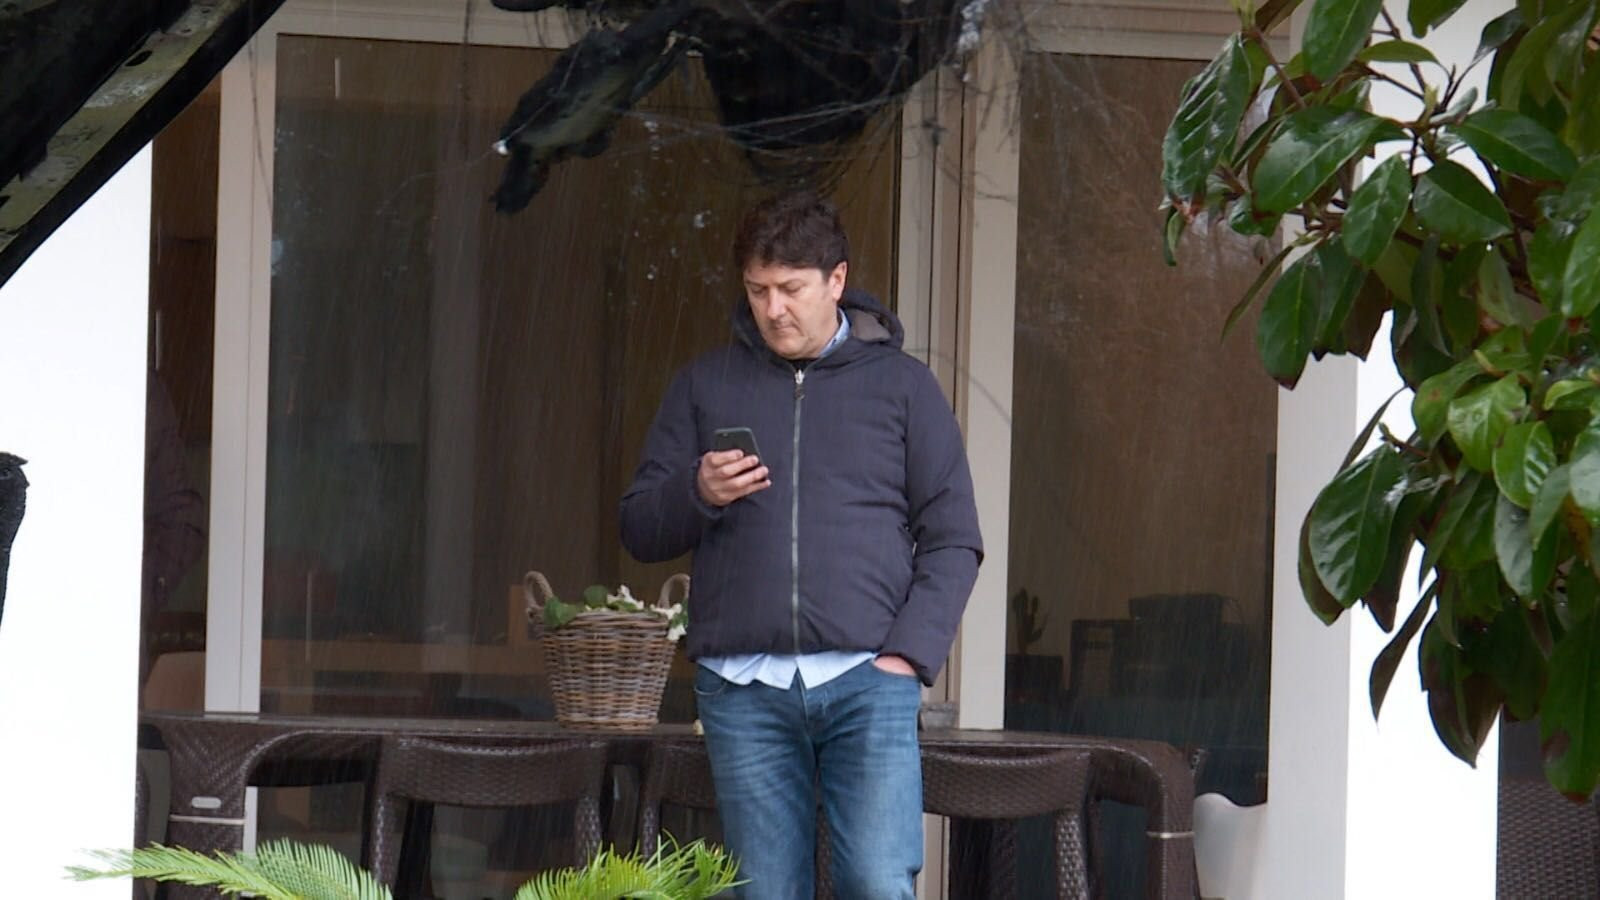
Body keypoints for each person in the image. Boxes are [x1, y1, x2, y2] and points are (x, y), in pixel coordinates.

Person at [620, 191, 983, 898]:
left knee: (875, 882)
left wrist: (907, 656)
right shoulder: (705, 384)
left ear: (836, 280)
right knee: (763, 891)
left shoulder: (904, 387)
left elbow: (954, 539)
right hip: (743, 687)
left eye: (790, 288)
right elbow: (638, 527)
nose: (773, 308)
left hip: (867, 682)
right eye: (757, 290)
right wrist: (698, 490)